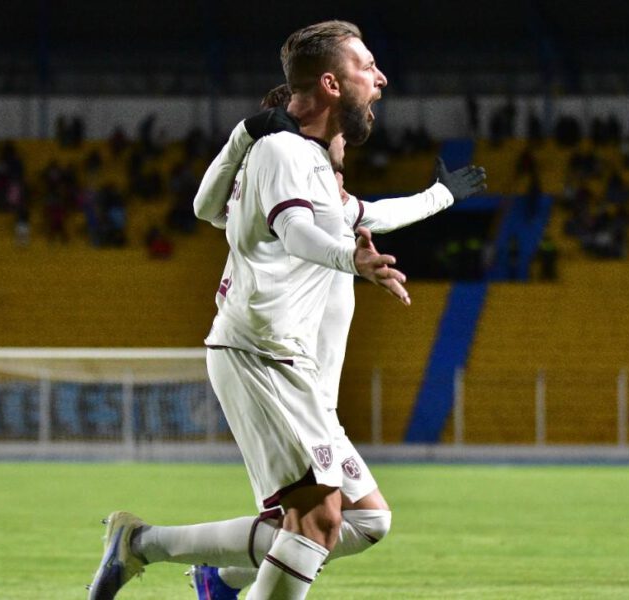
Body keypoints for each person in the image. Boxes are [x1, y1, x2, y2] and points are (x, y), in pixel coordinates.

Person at [86, 24, 486, 600]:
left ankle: (171, 557)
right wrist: (352, 258)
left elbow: (356, 212)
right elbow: (296, 231)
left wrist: (441, 196)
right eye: (367, 65)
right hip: (263, 356)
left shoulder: (308, 168)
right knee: (317, 523)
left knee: (363, 521)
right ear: (330, 82)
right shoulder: (285, 153)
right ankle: (178, 562)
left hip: (291, 371)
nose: (381, 78)